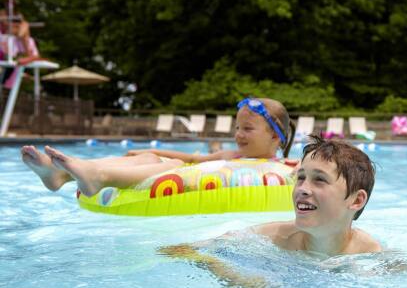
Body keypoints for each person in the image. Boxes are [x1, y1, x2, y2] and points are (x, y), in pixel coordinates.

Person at [162, 135, 381, 263]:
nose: (302, 189)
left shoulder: (368, 254)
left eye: (319, 180)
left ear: (356, 201)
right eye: (301, 178)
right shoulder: (274, 238)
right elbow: (192, 250)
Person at [21, 97, 296, 196]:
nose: (238, 134)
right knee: (152, 157)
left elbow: (185, 163)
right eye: (237, 128)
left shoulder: (285, 169)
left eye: (247, 129)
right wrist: (150, 152)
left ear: (276, 138)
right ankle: (61, 175)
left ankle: (98, 176)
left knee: (174, 166)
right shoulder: (231, 155)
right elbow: (190, 157)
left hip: (193, 183)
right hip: (188, 176)